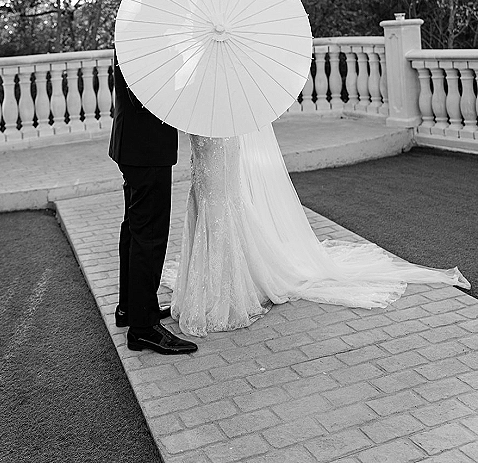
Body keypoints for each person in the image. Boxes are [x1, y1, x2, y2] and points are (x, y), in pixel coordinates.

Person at [162, 125, 470, 338]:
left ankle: (225, 291)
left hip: (222, 136)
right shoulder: (197, 66)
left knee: (221, 204)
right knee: (206, 204)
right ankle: (204, 284)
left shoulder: (229, 69)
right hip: (201, 140)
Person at [108, 52, 198, 355]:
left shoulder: (134, 31)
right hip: (146, 148)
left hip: (133, 144)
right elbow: (146, 97)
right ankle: (144, 329)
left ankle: (130, 308)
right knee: (150, 236)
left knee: (134, 229)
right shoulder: (146, 38)